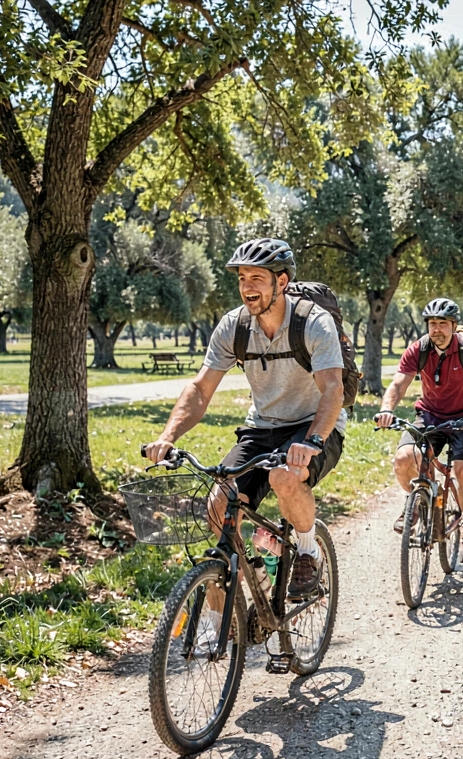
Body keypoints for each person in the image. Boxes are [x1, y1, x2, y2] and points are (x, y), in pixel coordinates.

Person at [144, 237, 347, 614]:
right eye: (242, 278)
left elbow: (332, 388)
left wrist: (314, 440)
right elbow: (201, 389)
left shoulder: (312, 323)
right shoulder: (234, 326)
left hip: (314, 423)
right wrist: (167, 436)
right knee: (219, 504)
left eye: (257, 277)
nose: (247, 287)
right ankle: (243, 589)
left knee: (285, 477)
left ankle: (306, 550)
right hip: (262, 427)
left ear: (281, 282)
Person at [376, 298, 463, 565]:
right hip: (429, 415)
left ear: (453, 325)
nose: (436, 329)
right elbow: (398, 384)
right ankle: (416, 502)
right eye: (432, 324)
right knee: (404, 459)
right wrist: (386, 409)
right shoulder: (419, 349)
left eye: (442, 324)